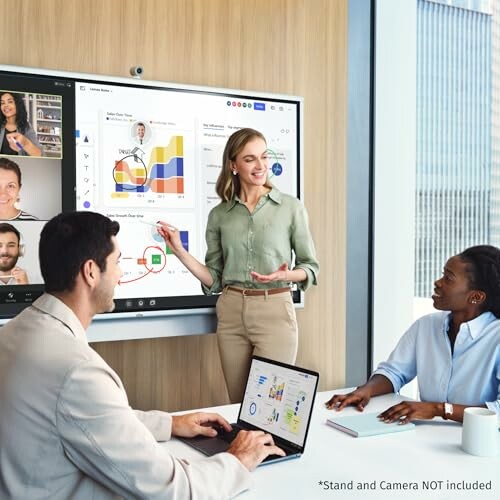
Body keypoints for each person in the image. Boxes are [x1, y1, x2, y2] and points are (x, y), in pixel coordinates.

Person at [0, 211, 285, 499]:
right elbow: (175, 492)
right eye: (117, 262)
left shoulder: (18, 331)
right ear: (90, 272)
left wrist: (170, 424)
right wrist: (237, 460)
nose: (121, 274)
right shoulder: (78, 371)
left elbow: (84, 416)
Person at [158, 128, 319, 403]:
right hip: (231, 312)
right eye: (250, 159)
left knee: (269, 406)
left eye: (264, 157)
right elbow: (216, 279)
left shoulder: (290, 208)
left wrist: (286, 274)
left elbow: (310, 267)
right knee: (239, 405)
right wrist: (180, 252)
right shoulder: (220, 215)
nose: (261, 166)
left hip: (274, 309)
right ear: (233, 165)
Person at [325, 245, 500, 423]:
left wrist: (439, 409)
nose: (438, 282)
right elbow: (393, 372)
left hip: (478, 444)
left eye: (448, 278)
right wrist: (365, 390)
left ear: (476, 297)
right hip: (425, 436)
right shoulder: (426, 325)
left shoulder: (496, 338)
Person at [0, 92, 42, 157]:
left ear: (18, 104)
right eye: (2, 103)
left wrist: (25, 143)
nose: (6, 105)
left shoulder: (26, 127)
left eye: (10, 102)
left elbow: (40, 155)